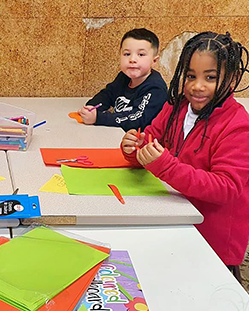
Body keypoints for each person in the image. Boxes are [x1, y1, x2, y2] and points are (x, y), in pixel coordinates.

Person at [121, 32, 249, 275]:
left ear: (232, 78)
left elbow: (226, 187)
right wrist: (134, 146)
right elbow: (151, 138)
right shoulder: (176, 106)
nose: (197, 86)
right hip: (175, 222)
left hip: (214, 245)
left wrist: (166, 166)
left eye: (210, 77)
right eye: (191, 76)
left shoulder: (237, 125)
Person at [80, 28, 167, 131]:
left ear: (154, 61)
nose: (132, 60)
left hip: (142, 143)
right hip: (119, 136)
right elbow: (108, 94)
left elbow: (138, 118)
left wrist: (99, 118)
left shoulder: (156, 88)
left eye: (141, 55)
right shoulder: (124, 77)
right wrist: (92, 107)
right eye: (127, 54)